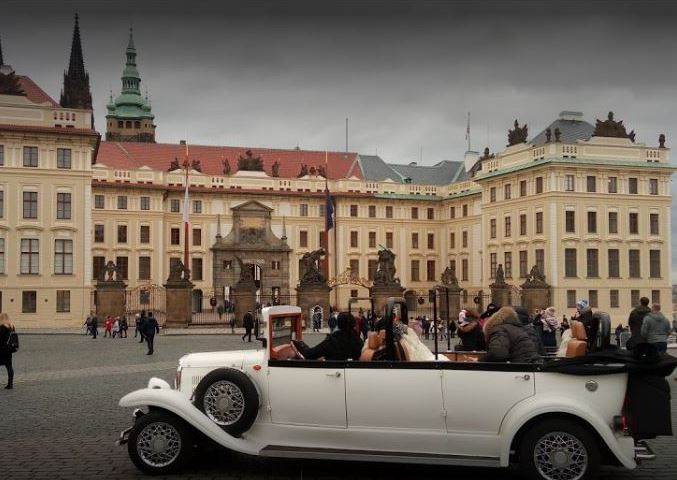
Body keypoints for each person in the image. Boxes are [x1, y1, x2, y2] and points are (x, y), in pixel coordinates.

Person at [294, 312, 363, 360]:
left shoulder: (333, 341)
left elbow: (310, 355)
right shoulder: (358, 340)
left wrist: (299, 344)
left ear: (338, 324)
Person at [0, 313, 16, 389]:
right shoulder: (12, 327)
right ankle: (10, 384)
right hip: (9, 349)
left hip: (1, 349)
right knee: (9, 366)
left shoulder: (2, 327)